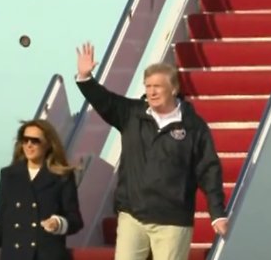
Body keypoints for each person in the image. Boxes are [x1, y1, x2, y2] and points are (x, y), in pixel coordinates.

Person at [75, 42, 228, 260]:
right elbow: (104, 101)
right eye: (148, 86)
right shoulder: (131, 114)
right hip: (132, 215)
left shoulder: (194, 126)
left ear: (174, 88)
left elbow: (209, 170)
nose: (152, 91)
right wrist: (85, 78)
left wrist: (217, 213)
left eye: (157, 86)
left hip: (173, 220)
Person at [0, 119, 84, 260]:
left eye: (35, 141)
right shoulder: (9, 176)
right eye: (25, 140)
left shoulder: (62, 177)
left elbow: (75, 220)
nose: (29, 145)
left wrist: (58, 223)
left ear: (48, 144)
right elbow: (2, 222)